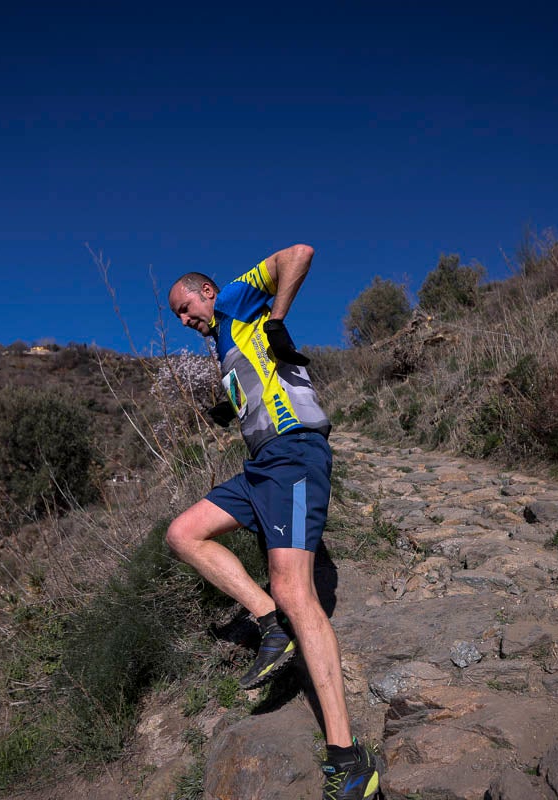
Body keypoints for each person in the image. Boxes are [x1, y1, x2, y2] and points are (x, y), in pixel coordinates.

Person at [166, 244, 382, 800]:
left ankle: (348, 757)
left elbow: (299, 254)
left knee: (294, 588)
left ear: (206, 291)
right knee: (184, 533)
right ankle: (270, 622)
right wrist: (230, 404)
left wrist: (279, 319)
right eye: (179, 318)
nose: (186, 321)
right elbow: (258, 376)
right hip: (260, 464)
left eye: (186, 307)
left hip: (293, 454)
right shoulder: (222, 341)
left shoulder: (235, 300)